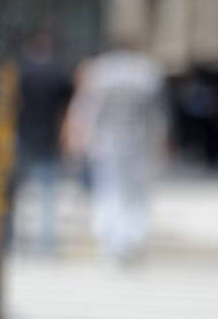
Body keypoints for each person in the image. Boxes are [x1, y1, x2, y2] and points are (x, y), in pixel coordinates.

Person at [64, 43, 168, 264]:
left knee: (109, 192)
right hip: (136, 144)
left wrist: (79, 141)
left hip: (107, 144)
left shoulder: (100, 73)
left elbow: (85, 112)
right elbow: (157, 116)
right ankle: (129, 240)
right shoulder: (145, 73)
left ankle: (113, 241)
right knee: (134, 195)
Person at [12, 30, 74, 253]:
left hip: (23, 135)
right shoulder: (57, 74)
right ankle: (46, 243)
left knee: (15, 192)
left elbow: (13, 104)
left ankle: (11, 238)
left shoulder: (21, 72)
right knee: (47, 194)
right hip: (48, 136)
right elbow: (67, 109)